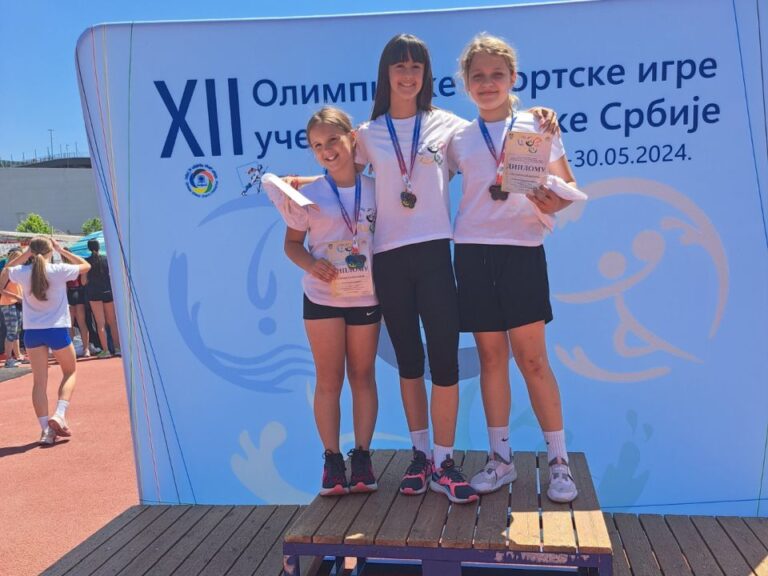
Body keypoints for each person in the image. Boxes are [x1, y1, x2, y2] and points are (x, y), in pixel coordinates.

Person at [448, 33, 582, 502]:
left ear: (513, 78)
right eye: (478, 76)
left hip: (522, 249)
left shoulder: (538, 124)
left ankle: (559, 464)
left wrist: (552, 202)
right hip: (471, 252)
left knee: (532, 360)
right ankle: (501, 461)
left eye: (497, 75)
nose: (488, 83)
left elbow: (567, 186)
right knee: (491, 359)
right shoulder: (457, 138)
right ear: (466, 83)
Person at [353, 33, 480, 504]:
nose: (407, 75)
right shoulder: (367, 134)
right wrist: (295, 184)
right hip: (388, 257)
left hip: (434, 254)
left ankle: (445, 462)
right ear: (385, 74)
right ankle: (420, 456)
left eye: (416, 67)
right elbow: (341, 176)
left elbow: (495, 137)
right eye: (399, 66)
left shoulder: (447, 125)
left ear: (425, 75)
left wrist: (537, 120)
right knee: (409, 360)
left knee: (444, 359)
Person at [264, 106, 380, 496]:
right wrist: (312, 265)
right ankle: (332, 460)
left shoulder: (377, 189)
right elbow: (292, 245)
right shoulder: (308, 195)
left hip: (366, 295)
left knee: (363, 376)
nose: (327, 150)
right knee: (329, 379)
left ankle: (361, 457)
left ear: (351, 138)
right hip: (323, 298)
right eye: (317, 146)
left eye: (333, 140)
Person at [0, 237, 91, 445]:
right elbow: (86, 266)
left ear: (32, 252)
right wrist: (62, 250)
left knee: (39, 382)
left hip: (33, 332)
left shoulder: (22, 272)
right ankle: (59, 414)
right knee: (70, 371)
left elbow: (4, 273)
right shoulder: (58, 270)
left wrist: (25, 255)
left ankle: (45, 431)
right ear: (51, 251)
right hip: (56, 329)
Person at [84, 239, 121, 357]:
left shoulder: (86, 262)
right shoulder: (106, 259)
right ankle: (118, 348)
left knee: (100, 323)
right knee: (112, 322)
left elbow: (83, 281)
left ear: (88, 248)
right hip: (107, 291)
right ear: (99, 247)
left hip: (94, 293)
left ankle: (106, 350)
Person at [1, 249, 24, 368]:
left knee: (16, 331)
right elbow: (1, 289)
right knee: (11, 331)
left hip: (17, 303)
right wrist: (16, 297)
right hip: (8, 303)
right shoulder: (7, 271)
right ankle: (8, 358)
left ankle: (18, 355)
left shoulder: (18, 271)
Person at [67, 268, 91, 358]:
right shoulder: (80, 267)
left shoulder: (67, 267)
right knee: (80, 323)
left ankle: (74, 350)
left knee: (71, 324)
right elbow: (84, 281)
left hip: (72, 292)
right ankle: (86, 349)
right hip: (77, 292)